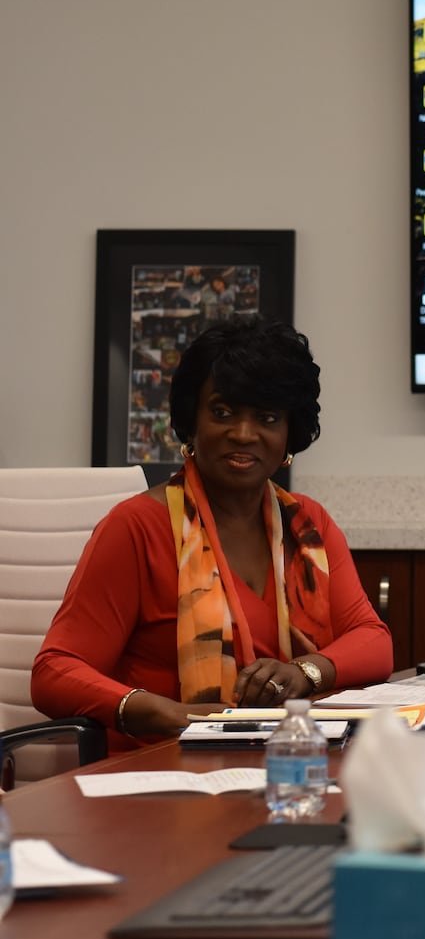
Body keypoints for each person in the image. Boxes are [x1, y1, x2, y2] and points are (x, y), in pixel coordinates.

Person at [32, 317, 393, 747]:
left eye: (267, 417)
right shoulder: (137, 527)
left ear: (289, 433)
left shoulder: (307, 526)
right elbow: (53, 672)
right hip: (162, 764)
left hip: (288, 758)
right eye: (222, 412)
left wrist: (304, 672)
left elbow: (374, 642)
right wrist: (157, 711)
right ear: (192, 422)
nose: (243, 434)